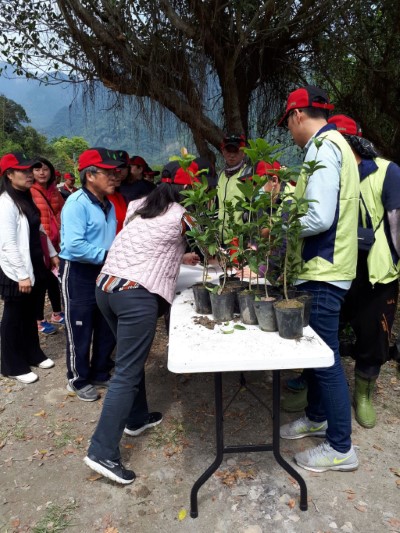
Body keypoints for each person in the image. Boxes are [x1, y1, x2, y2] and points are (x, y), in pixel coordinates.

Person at [83, 169, 200, 484]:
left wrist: (179, 255)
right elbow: (213, 245)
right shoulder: (184, 215)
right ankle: (102, 451)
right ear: (191, 192)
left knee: (129, 361)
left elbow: (146, 244)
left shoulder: (140, 204)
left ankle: (136, 418)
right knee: (126, 372)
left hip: (106, 287)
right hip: (136, 295)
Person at [277, 86, 360, 472]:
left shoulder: (324, 147)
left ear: (297, 116)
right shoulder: (334, 145)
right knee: (314, 355)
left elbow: (320, 218)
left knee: (326, 361)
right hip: (319, 270)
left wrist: (281, 220)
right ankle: (316, 416)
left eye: (288, 124)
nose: (290, 134)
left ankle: (341, 447)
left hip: (325, 270)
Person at [328, 114, 400, 428]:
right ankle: (312, 383)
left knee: (374, 332)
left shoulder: (387, 171)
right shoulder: (331, 174)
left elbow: (396, 222)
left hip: (376, 270)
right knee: (324, 325)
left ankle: (364, 391)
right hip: (337, 267)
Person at [59, 147, 122, 402]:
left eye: (115, 172)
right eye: (108, 172)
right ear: (91, 175)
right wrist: (109, 256)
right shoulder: (77, 203)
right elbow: (74, 245)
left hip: (104, 270)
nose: (114, 177)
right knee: (80, 327)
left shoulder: (107, 204)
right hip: (79, 272)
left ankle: (99, 370)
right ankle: (77, 379)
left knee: (105, 323)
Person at [0, 153, 56, 384]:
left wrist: (52, 253)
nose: (29, 174)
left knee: (31, 313)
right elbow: (7, 243)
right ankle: (11, 365)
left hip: (35, 265)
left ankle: (32, 353)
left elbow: (39, 230)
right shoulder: (5, 202)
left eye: (29, 169)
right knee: (13, 317)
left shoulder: (26, 197)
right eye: (23, 171)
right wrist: (22, 275)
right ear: (9, 175)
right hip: (16, 271)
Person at [31, 157, 65, 335]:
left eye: (45, 169)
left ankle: (57, 313)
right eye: (37, 169)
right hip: (38, 244)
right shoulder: (29, 191)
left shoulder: (54, 191)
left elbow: (62, 211)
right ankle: (38, 320)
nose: (42, 172)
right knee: (40, 283)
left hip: (55, 243)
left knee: (53, 280)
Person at [216, 133, 253, 243]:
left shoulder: (249, 174)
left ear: (243, 153)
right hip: (220, 240)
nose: (232, 155)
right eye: (228, 151)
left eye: (235, 151)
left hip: (240, 240)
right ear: (223, 152)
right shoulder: (220, 175)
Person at [108, 150, 129, 233]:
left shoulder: (121, 197)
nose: (118, 174)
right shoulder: (94, 199)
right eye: (113, 170)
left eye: (122, 168)